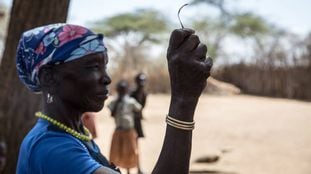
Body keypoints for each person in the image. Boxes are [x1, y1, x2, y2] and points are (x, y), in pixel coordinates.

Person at [15, 23, 212, 174]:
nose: (107, 78)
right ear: (49, 77)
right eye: (92, 67)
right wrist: (183, 101)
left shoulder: (73, 133)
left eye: (105, 66)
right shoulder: (52, 148)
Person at [108, 80, 141, 174]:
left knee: (129, 152)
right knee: (115, 152)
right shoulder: (114, 101)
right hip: (118, 130)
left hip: (129, 130)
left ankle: (128, 171)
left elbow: (138, 108)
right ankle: (115, 171)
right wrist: (117, 102)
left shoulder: (130, 101)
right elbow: (111, 112)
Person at [130, 73, 147, 174]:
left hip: (137, 122)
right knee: (131, 146)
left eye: (143, 82)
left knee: (136, 146)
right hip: (130, 123)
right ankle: (130, 169)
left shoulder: (144, 94)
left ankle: (138, 169)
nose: (142, 84)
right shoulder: (132, 94)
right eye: (140, 82)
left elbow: (142, 107)